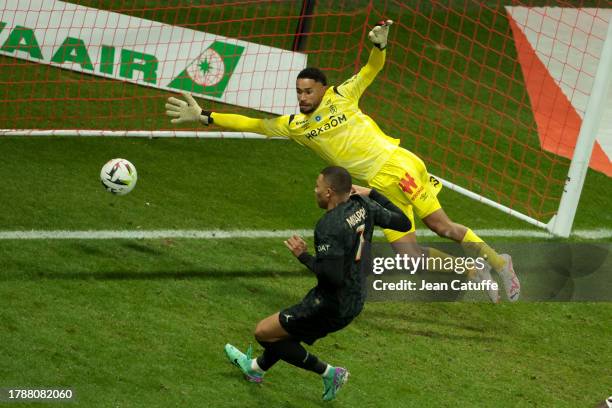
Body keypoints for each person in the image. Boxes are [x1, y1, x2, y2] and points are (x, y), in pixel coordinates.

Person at [165, 20, 520, 303]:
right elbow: (255, 124)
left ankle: (501, 264)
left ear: (322, 88)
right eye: (299, 92)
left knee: (443, 227)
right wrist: (206, 116)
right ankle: (474, 270)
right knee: (409, 258)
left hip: (398, 166)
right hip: (381, 187)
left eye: (308, 91)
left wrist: (378, 45)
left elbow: (371, 69)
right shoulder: (297, 126)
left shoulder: (343, 95)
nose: (302, 97)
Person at [224, 166, 411, 401]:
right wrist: (372, 193)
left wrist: (303, 256)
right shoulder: (364, 206)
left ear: (329, 192)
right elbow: (404, 223)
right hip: (356, 297)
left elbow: (331, 276)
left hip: (330, 303)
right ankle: (255, 369)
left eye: (318, 187)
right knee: (286, 333)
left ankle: (329, 373)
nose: (315, 191)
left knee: (264, 333)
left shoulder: (328, 227)